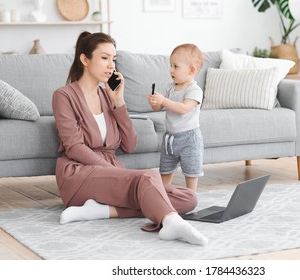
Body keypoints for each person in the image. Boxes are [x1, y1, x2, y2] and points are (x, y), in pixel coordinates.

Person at [52, 31, 208, 246]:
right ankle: (171, 222)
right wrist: (120, 173)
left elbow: (129, 144)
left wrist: (118, 102)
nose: (111, 66)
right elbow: (74, 147)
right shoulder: (64, 96)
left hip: (113, 176)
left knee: (188, 198)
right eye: (104, 58)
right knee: (148, 178)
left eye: (113, 59)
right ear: (85, 59)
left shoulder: (108, 95)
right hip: (80, 174)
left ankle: (103, 211)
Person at [147, 43, 204, 192]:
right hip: (170, 139)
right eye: (170, 66)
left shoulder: (195, 90)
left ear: (191, 70)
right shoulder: (170, 87)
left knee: (191, 172)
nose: (171, 70)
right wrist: (155, 102)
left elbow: (183, 108)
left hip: (189, 140)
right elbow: (158, 107)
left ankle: (191, 195)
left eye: (176, 66)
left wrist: (164, 101)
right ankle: (164, 195)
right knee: (165, 170)